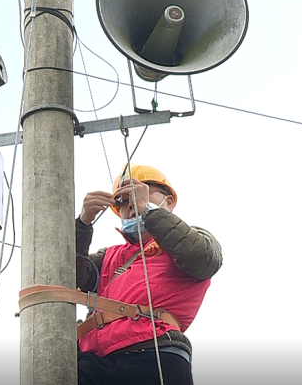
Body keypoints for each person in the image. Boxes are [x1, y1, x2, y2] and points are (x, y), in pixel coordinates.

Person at [75, 164, 223, 385]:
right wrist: (82, 225)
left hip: (153, 352)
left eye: (141, 193)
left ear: (169, 202)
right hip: (95, 360)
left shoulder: (192, 241)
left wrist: (149, 210)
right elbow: (63, 276)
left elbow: (201, 258)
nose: (131, 206)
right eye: (123, 202)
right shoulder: (111, 256)